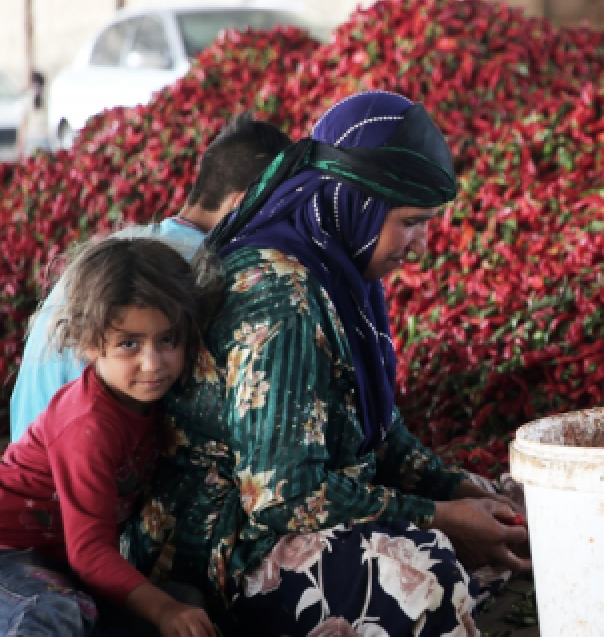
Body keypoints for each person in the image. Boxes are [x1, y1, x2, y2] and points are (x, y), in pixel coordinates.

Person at [124, 91, 531, 637]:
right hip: (224, 545)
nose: (420, 243)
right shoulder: (279, 295)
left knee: (508, 533)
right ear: (354, 203)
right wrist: (438, 517)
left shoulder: (341, 273)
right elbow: (283, 496)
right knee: (424, 571)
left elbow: (375, 434)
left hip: (289, 517)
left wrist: (457, 488)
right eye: (410, 221)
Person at [9, 113, 293, 441]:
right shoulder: (204, 271)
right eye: (284, 209)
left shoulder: (125, 249)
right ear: (242, 204)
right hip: (77, 465)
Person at [0, 237, 217, 637]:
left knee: (184, 600)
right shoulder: (88, 424)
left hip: (58, 565)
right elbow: (89, 551)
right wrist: (162, 609)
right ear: (87, 344)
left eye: (167, 340)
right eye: (128, 344)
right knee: (50, 613)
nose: (152, 364)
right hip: (10, 558)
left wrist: (169, 607)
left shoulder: (149, 401)